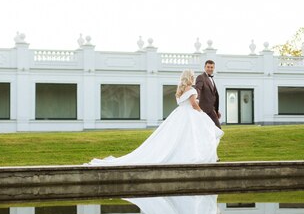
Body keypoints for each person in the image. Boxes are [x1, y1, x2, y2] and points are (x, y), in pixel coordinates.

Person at [87, 69, 223, 166]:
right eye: (192, 76)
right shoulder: (192, 90)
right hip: (190, 115)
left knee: (179, 138)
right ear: (190, 77)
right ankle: (193, 156)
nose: (194, 78)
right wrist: (202, 113)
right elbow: (193, 104)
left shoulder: (179, 91)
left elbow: (184, 103)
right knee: (195, 135)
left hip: (178, 115)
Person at [195, 60, 221, 129]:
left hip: (212, 109)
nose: (210, 69)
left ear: (214, 68)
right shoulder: (201, 77)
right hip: (204, 109)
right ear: (204, 67)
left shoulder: (211, 79)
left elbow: (213, 96)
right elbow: (198, 89)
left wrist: (216, 110)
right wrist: (196, 99)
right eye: (208, 67)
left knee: (214, 130)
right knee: (217, 129)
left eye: (211, 67)